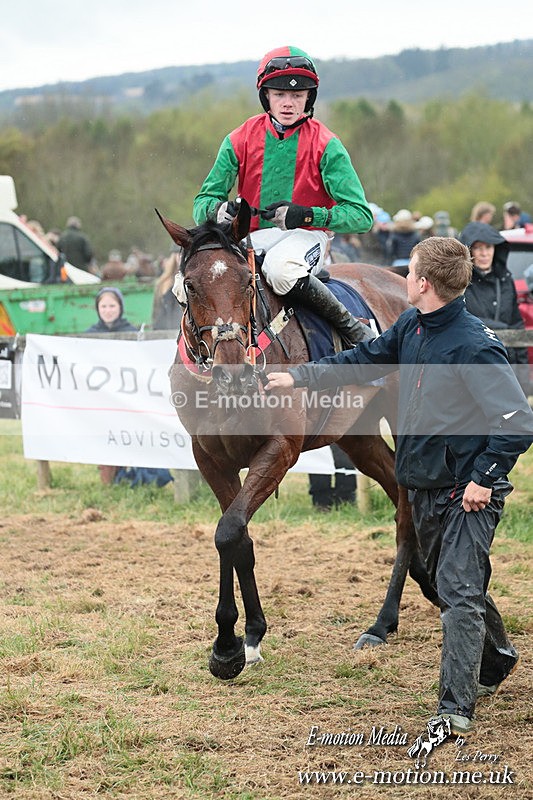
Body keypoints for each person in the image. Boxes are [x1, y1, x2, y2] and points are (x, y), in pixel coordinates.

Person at [266, 236, 533, 736]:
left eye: (409, 272)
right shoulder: (411, 324)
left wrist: (484, 478)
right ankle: (498, 656)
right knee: (441, 580)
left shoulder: (474, 345)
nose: (404, 279)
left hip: (466, 492)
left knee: (456, 590)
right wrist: (300, 377)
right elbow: (363, 359)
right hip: (423, 484)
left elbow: (517, 420)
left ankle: (455, 709)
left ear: (424, 283)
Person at [192, 45, 374, 347]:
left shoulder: (327, 144)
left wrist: (305, 215)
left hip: (307, 236)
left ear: (308, 98)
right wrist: (219, 211)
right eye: (279, 95)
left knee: (279, 270)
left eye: (297, 96)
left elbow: (361, 216)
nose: (288, 103)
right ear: (266, 96)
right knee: (196, 275)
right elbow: (202, 204)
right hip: (252, 238)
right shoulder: (238, 139)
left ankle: (353, 330)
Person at [459, 221, 529, 393]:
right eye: (478, 248)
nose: (484, 253)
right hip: (472, 369)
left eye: (489, 247)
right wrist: (501, 328)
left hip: (506, 364)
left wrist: (523, 375)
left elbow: (516, 325)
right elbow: (461, 320)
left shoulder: (505, 280)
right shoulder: (459, 284)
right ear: (469, 252)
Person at [152, 246, 184, 331]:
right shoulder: (164, 282)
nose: (182, 257)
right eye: (179, 253)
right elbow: (157, 312)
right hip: (166, 330)